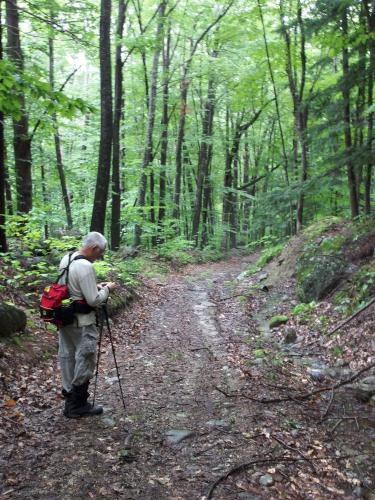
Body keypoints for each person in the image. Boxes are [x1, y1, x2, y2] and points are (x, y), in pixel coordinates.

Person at [58, 231, 117, 418]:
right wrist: (107, 289)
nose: (101, 256)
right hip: (82, 322)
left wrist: (94, 286)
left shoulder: (67, 259)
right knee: (85, 358)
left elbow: (72, 289)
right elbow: (93, 300)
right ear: (94, 248)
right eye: (101, 252)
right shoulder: (85, 266)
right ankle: (79, 405)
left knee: (68, 358)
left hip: (65, 318)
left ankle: (69, 403)